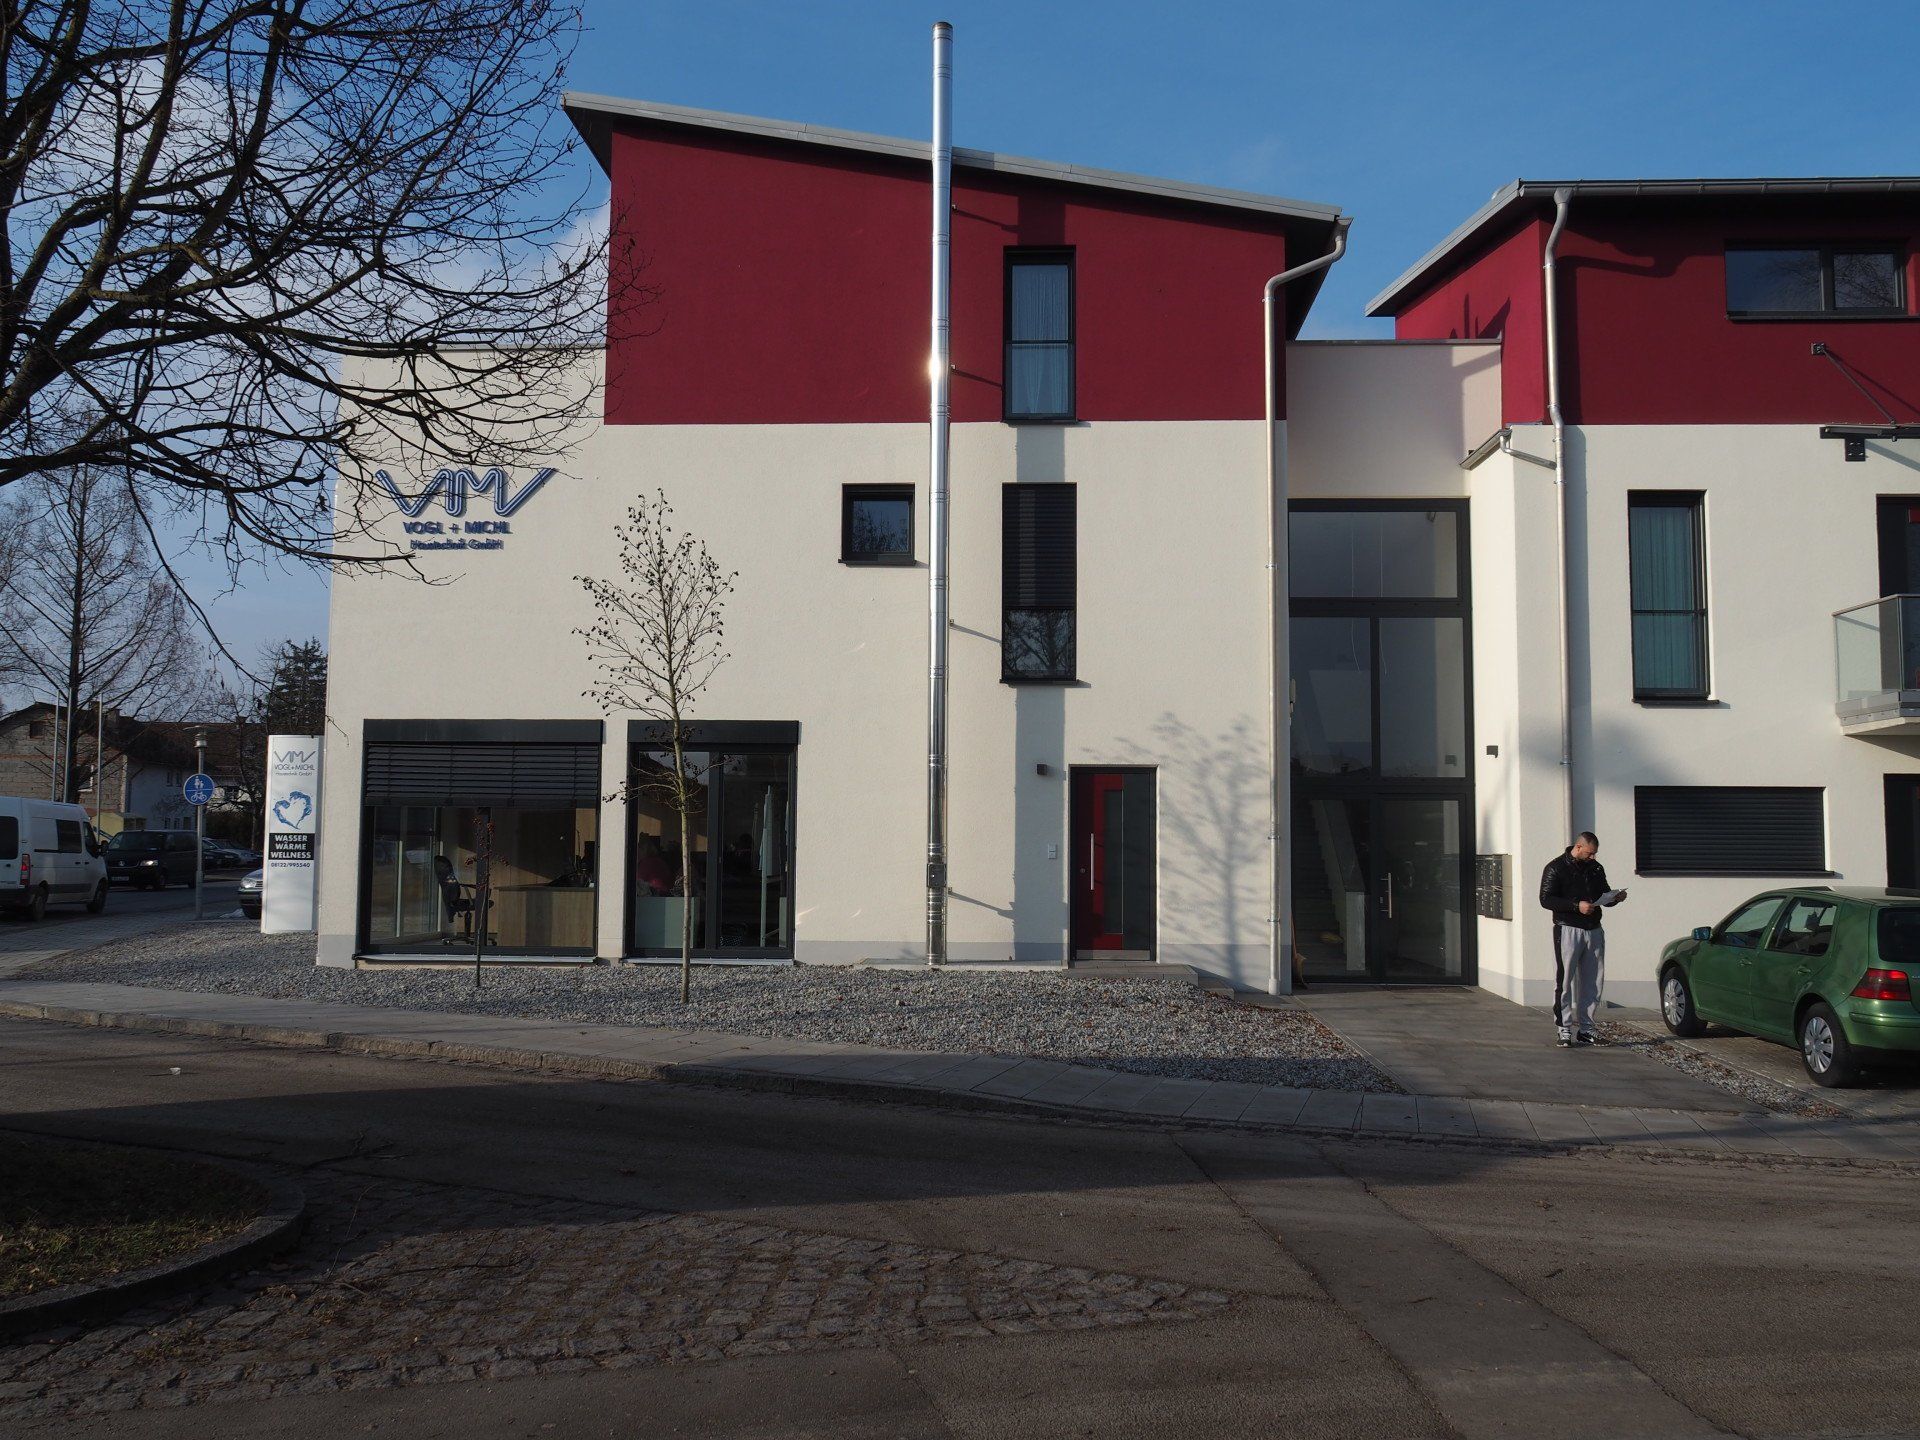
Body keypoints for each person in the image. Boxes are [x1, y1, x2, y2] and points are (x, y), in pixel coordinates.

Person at [1539, 831, 1623, 1047]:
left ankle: (1586, 1029)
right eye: (1589, 853)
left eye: (1594, 854)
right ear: (1577, 847)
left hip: (1594, 928)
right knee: (1565, 980)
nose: (1592, 857)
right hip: (1567, 928)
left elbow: (1602, 893)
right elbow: (1546, 899)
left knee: (1593, 980)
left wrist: (1615, 898)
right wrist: (1576, 906)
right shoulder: (1556, 867)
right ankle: (1564, 1029)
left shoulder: (1595, 868)